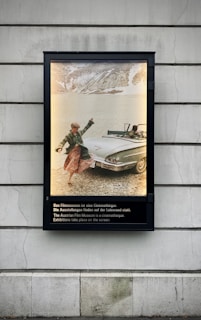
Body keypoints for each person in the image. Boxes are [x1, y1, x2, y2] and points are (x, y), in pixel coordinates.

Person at [56, 118, 94, 185]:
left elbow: (85, 129)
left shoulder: (78, 133)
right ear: (72, 128)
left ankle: (77, 171)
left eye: (77, 129)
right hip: (73, 152)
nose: (77, 130)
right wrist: (59, 148)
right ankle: (69, 179)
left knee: (88, 159)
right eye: (76, 128)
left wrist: (90, 122)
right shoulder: (69, 135)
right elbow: (63, 141)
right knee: (73, 165)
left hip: (80, 150)